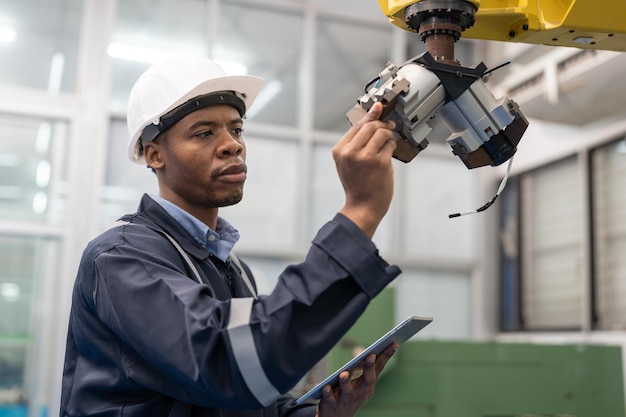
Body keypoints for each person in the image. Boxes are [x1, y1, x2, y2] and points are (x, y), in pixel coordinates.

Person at [60, 55, 401, 417]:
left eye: (236, 130)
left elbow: (249, 403)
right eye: (204, 133)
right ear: (155, 154)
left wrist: (318, 415)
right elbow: (229, 366)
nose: (232, 145)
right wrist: (360, 211)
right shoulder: (121, 258)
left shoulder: (230, 266)